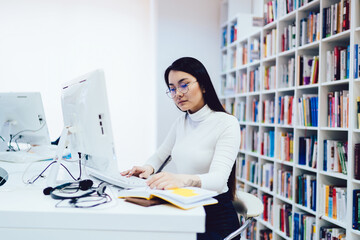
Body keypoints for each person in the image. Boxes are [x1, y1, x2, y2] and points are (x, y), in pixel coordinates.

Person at [121, 57, 241, 240]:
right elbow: (160, 155)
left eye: (184, 85)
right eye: (172, 88)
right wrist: (148, 168)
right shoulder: (181, 122)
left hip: (217, 218)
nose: (177, 93)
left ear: (203, 86)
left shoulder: (226, 123)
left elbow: (218, 180)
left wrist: (180, 180)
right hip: (187, 206)